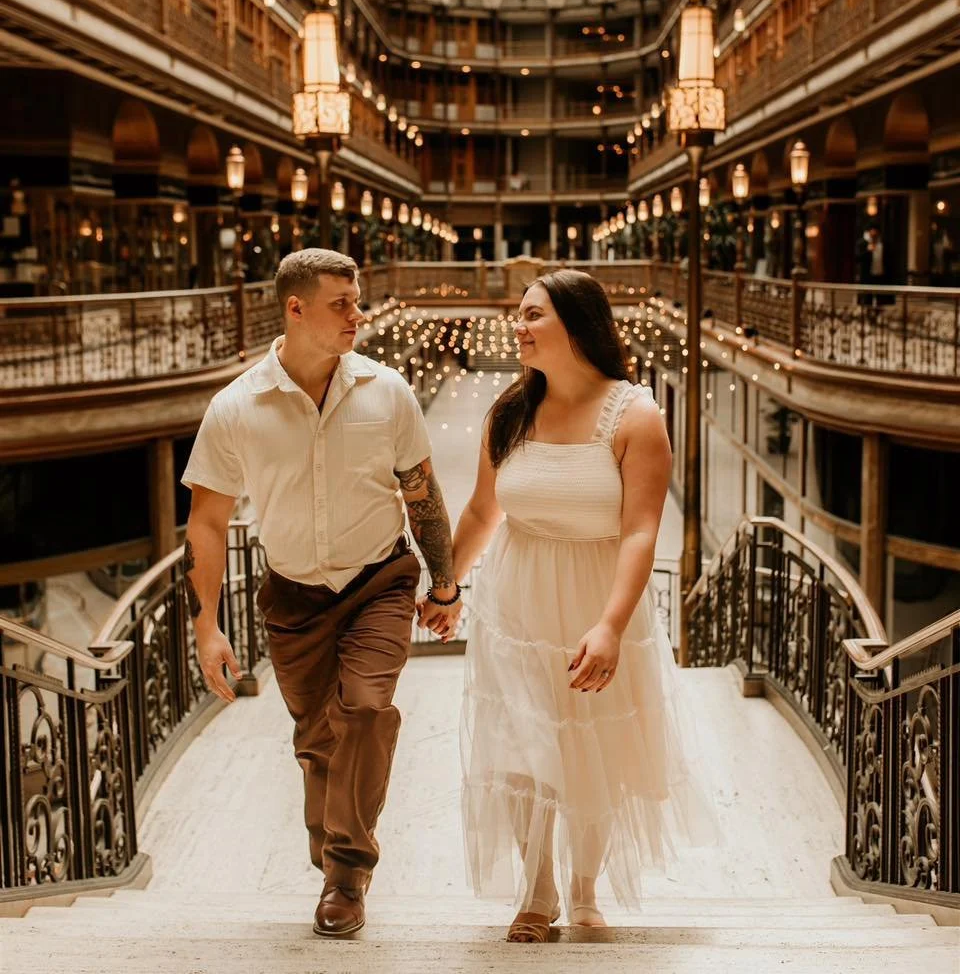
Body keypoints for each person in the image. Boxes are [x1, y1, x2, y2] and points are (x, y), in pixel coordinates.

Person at [419, 269, 716, 942]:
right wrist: (447, 586)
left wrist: (611, 626)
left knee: (592, 747)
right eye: (517, 316)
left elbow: (641, 529)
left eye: (532, 315)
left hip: (596, 599)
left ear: (578, 324)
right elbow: (480, 511)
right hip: (516, 601)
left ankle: (585, 890)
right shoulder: (510, 413)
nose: (517, 327)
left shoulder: (635, 416)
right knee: (521, 745)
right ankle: (536, 891)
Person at [180, 248, 460, 939]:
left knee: (365, 711)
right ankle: (333, 848)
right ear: (295, 309)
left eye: (356, 300)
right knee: (318, 745)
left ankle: (346, 872)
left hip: (379, 583)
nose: (357, 315)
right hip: (293, 598)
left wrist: (445, 583)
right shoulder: (236, 407)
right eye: (341, 303)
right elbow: (208, 522)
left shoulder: (387, 391)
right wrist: (206, 624)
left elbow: (422, 495)